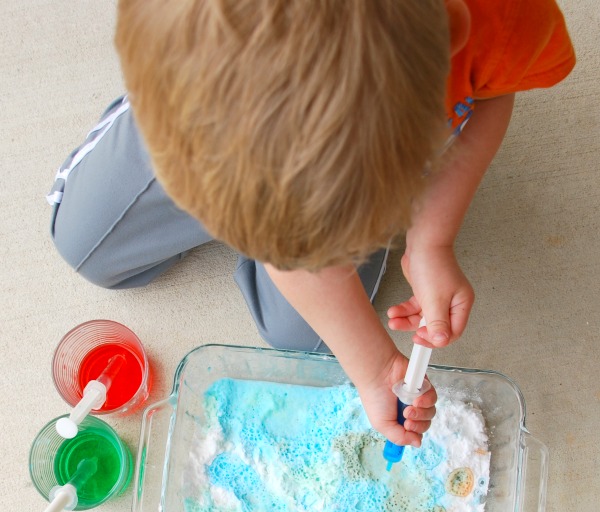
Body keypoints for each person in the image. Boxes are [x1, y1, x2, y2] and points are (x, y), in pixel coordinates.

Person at [47, 0, 575, 448]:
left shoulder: (504, 20)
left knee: (307, 341)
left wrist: (430, 240)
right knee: (85, 246)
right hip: (207, 88)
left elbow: (491, 93)